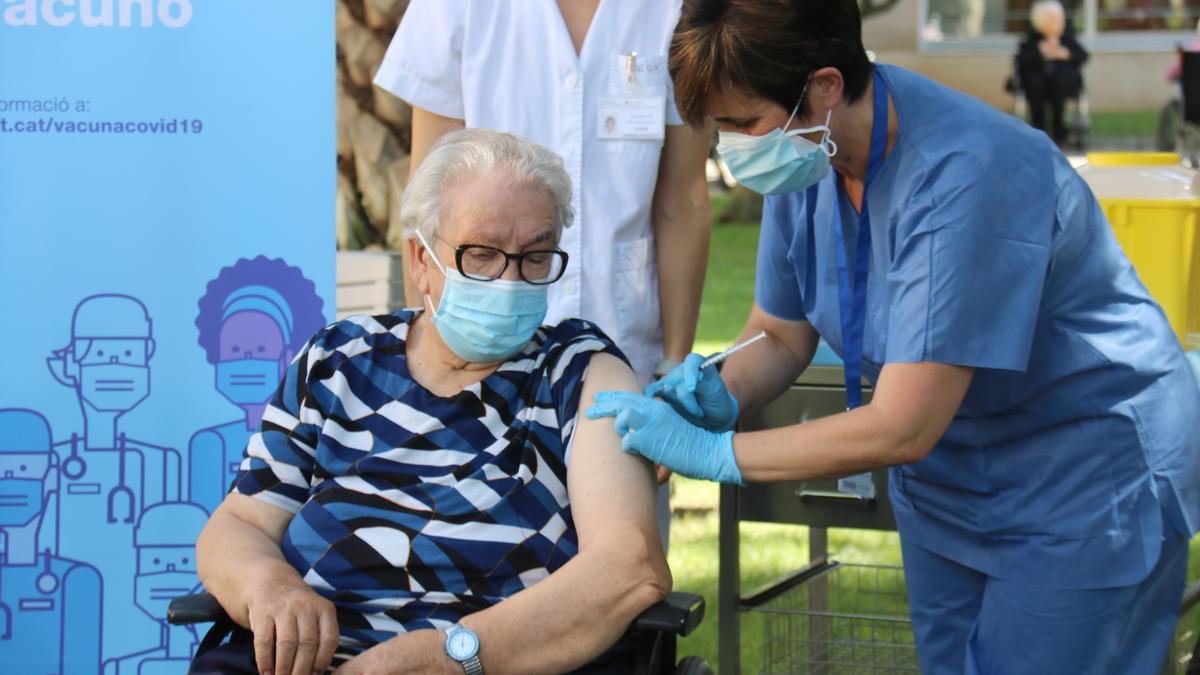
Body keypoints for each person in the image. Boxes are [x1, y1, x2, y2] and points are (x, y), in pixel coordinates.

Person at [586, 1, 1200, 672]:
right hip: (949, 483)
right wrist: (716, 391)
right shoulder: (809, 152)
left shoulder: (966, 171)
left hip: (1084, 483)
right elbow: (778, 332)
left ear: (823, 86)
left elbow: (903, 423)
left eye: (741, 124)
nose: (730, 148)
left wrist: (718, 452)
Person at [194, 129, 670, 675]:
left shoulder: (580, 373)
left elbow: (630, 566)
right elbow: (241, 524)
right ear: (421, 258)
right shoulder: (338, 359)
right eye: (482, 255)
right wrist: (269, 586)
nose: (510, 280)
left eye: (536, 256)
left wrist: (450, 656)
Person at [374, 0, 713, 543]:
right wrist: (439, 362)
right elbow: (426, 203)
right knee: (465, 551)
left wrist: (673, 362)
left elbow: (683, 201)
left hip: (621, 355)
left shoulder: (676, 10)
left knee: (622, 568)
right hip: (478, 354)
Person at [189, 257, 327, 515]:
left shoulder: (313, 432)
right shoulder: (209, 443)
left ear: (287, 356)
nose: (247, 360)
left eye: (262, 349)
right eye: (235, 350)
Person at [1016, 0, 1087, 144]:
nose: (1058, 23)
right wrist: (1040, 52)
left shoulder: (1066, 38)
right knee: (1034, 84)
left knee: (1059, 83)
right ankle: (1039, 131)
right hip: (1037, 87)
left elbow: (1082, 55)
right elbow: (1021, 61)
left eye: (1059, 19)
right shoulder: (1032, 39)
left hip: (1062, 86)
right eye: (1052, 20)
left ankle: (1059, 131)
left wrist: (1065, 54)